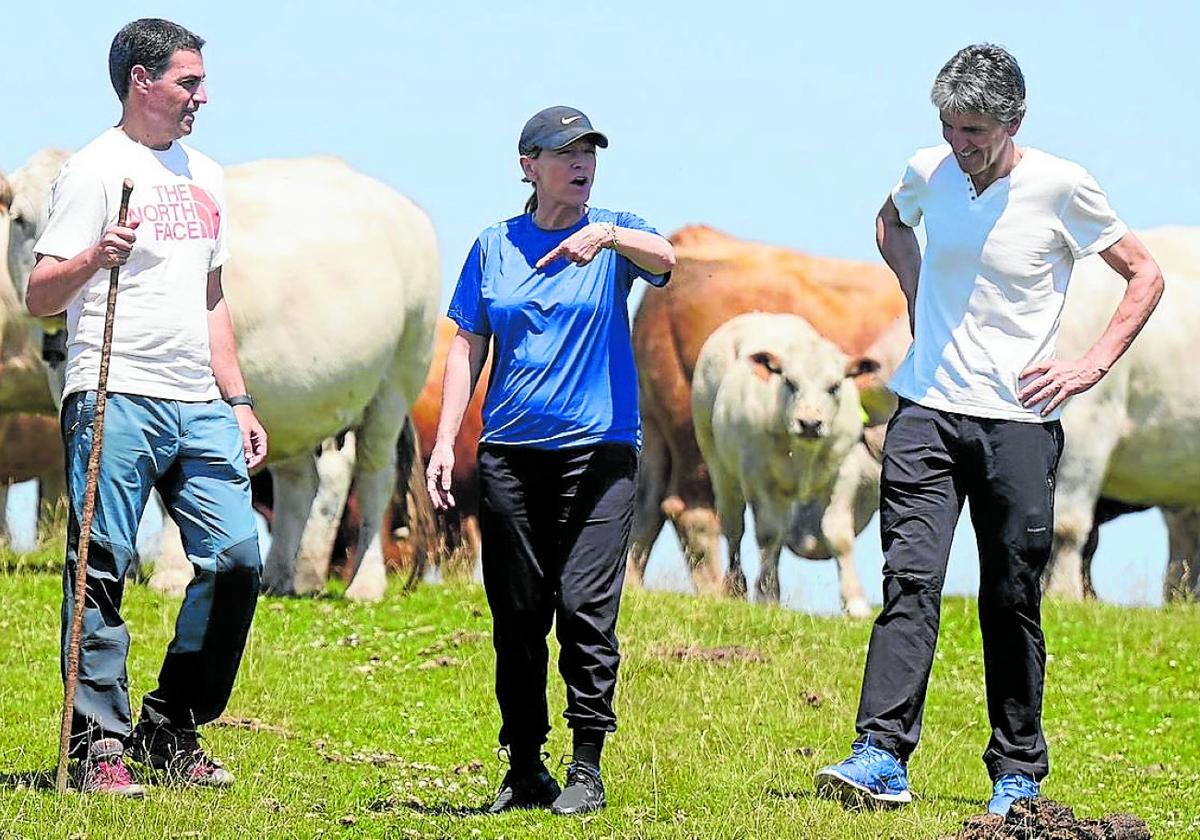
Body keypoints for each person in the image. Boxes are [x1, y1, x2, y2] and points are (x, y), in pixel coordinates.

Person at [814, 44, 1163, 816]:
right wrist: (914, 297)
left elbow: (1145, 274)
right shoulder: (927, 169)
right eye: (949, 125)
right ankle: (880, 756)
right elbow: (889, 222)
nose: (959, 142)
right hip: (927, 412)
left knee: (1010, 598)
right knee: (910, 581)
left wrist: (1090, 365)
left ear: (1014, 121)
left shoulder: (1063, 187)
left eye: (973, 130)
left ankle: (1017, 775)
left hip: (1021, 425)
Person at [27, 18, 267, 796]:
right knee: (101, 565)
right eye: (187, 82)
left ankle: (171, 724)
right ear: (140, 79)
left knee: (236, 561)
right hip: (112, 390)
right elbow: (38, 295)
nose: (202, 95)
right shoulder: (95, 170)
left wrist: (238, 399)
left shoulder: (208, 175)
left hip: (198, 399)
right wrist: (97, 257)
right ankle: (97, 741)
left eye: (200, 82)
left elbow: (212, 297)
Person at [426, 106, 675, 816]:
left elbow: (668, 260)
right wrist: (446, 440)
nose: (581, 162)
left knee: (586, 609)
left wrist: (608, 235)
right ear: (527, 164)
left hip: (599, 455)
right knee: (517, 613)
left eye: (589, 150)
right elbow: (466, 343)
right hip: (508, 454)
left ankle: (587, 766)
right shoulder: (493, 245)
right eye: (564, 151)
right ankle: (526, 764)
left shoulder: (614, 235)